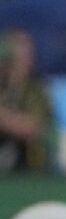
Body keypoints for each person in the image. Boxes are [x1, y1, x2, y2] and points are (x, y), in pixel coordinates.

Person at [0, 29, 57, 173]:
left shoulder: (35, 88)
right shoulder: (3, 86)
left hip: (32, 159)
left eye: (26, 54)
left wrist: (4, 118)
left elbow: (32, 128)